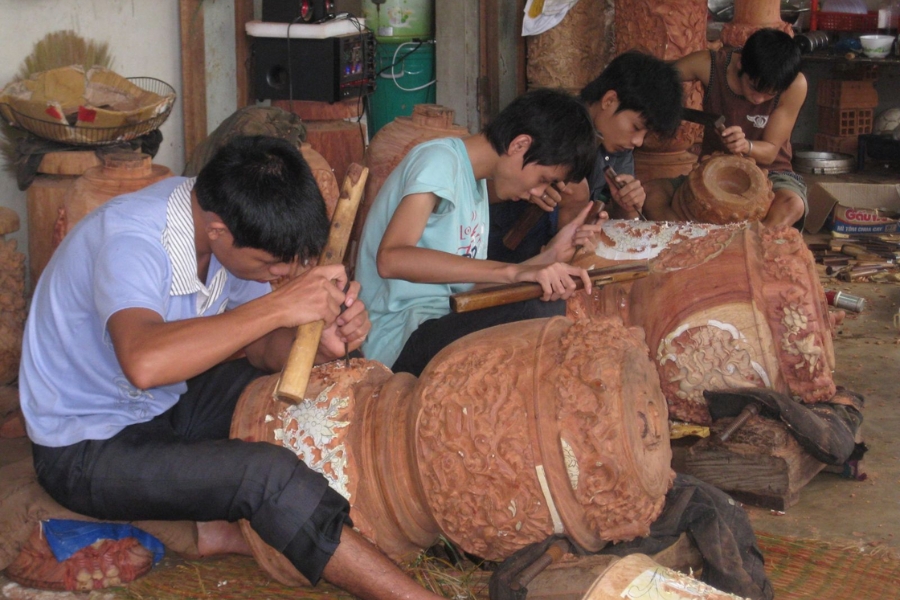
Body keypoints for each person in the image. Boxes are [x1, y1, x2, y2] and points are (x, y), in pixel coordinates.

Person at [19, 135, 443, 600]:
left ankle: (288, 529)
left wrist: (323, 344)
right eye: (268, 266)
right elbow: (144, 362)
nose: (277, 275)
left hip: (166, 405)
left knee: (313, 401)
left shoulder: (232, 229)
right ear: (217, 229)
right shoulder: (133, 239)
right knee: (263, 475)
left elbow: (261, 349)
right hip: (85, 446)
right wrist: (281, 304)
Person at [356, 88, 601, 376]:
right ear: (520, 144)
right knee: (537, 313)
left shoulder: (476, 186)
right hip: (398, 341)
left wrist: (549, 258)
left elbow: (466, 289)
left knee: (552, 301)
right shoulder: (439, 161)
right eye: (542, 179)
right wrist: (512, 273)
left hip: (439, 321)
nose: (536, 192)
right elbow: (391, 259)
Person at [487, 51, 683, 263]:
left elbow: (603, 222)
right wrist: (526, 185)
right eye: (636, 127)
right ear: (609, 100)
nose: (638, 142)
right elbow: (479, 183)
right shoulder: (550, 121)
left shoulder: (619, 152)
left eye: (645, 134)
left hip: (556, 262)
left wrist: (625, 207)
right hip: (495, 251)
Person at [643, 28, 808, 229]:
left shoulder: (794, 85)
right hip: (712, 170)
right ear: (741, 64)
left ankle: (750, 244)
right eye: (754, 87)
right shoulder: (710, 65)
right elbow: (655, 76)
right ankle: (690, 241)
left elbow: (770, 152)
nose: (758, 99)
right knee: (649, 194)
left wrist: (745, 145)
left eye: (769, 95)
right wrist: (661, 103)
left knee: (793, 205)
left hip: (771, 173)